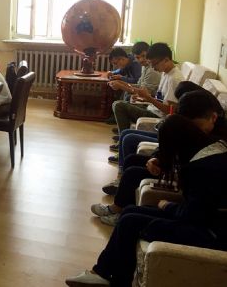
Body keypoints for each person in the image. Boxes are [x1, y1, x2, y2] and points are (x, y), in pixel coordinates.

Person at [67, 114, 227, 287]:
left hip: (211, 233)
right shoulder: (211, 147)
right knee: (129, 211)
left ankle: (110, 277)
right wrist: (160, 161)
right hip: (205, 221)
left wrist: (167, 206)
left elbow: (194, 216)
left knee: (130, 222)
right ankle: (104, 274)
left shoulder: (205, 169)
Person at [92, 89, 227, 226]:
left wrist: (168, 203)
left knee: (133, 173)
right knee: (132, 160)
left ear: (213, 118)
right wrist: (156, 158)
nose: (191, 131)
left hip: (188, 174)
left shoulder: (219, 140)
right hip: (180, 165)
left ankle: (117, 209)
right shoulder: (191, 123)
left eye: (196, 127)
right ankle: (122, 203)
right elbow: (171, 142)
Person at [111, 42, 184, 132]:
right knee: (118, 103)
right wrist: (145, 99)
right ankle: (124, 133)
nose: (153, 67)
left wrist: (148, 98)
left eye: (155, 64)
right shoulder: (166, 73)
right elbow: (161, 98)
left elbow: (169, 111)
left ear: (166, 60)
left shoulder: (174, 79)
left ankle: (124, 134)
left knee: (119, 105)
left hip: (157, 115)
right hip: (152, 108)